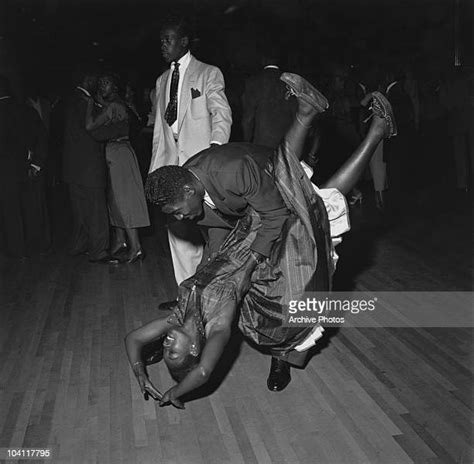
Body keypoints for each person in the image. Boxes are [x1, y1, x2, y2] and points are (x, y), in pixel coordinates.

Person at [125, 73, 397, 406]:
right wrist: (176, 392)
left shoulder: (179, 315)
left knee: (310, 194)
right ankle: (367, 130)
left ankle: (327, 118)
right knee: (318, 201)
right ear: (194, 348)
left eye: (178, 211)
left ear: (187, 190)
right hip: (264, 248)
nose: (166, 346)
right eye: (174, 353)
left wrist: (144, 375)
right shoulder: (217, 327)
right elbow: (204, 371)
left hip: (261, 212)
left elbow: (134, 338)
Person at [149, 16, 232, 299]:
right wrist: (154, 173)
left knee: (210, 232)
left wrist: (215, 150)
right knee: (178, 234)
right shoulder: (161, 81)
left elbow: (221, 113)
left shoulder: (209, 73)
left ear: (184, 41)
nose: (163, 45)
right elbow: (159, 133)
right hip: (171, 166)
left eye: (168, 39)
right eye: (161, 40)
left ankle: (213, 296)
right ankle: (187, 297)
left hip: (202, 166)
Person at [85, 73, 150, 263]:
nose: (101, 87)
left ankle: (136, 247)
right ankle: (121, 241)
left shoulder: (114, 106)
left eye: (106, 84)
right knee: (115, 201)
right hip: (118, 152)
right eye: (101, 83)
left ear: (114, 87)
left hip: (119, 154)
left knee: (124, 201)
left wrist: (90, 103)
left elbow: (90, 126)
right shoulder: (117, 104)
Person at [62, 69, 112, 263]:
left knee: (80, 210)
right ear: (87, 79)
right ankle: (98, 250)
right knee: (97, 211)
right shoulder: (86, 103)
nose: (97, 83)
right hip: (90, 166)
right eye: (95, 79)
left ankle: (80, 245)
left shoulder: (70, 100)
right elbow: (95, 131)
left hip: (72, 167)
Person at [241, 49, 296, 148]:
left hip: (261, 144)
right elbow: (296, 115)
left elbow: (248, 118)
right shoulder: (290, 82)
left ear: (263, 60)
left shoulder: (254, 81)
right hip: (287, 145)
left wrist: (247, 142)